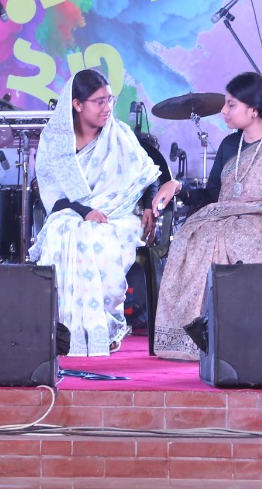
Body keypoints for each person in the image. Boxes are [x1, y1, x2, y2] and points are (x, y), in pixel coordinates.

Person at [153, 72, 262, 360]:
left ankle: (245, 334)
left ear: (254, 109)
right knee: (193, 236)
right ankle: (197, 335)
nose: (223, 111)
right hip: (229, 215)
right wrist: (178, 186)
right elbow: (212, 197)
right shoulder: (229, 145)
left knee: (236, 236)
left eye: (231, 105)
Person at [29, 69, 177, 356]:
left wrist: (149, 204)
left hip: (118, 216)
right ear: (77, 104)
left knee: (97, 235)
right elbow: (52, 197)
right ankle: (67, 332)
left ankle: (102, 327)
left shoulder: (119, 134)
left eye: (110, 100)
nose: (108, 107)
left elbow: (148, 178)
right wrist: (84, 211)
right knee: (68, 230)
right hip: (73, 214)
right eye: (99, 101)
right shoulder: (55, 141)